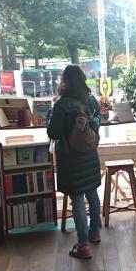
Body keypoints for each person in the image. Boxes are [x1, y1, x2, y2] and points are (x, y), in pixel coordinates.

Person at [47, 65, 102, 259]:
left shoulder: (61, 104)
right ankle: (94, 232)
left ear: (65, 81)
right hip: (89, 154)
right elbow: (97, 124)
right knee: (92, 194)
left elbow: (53, 133)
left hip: (71, 158)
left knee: (77, 199)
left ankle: (83, 245)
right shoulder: (91, 100)